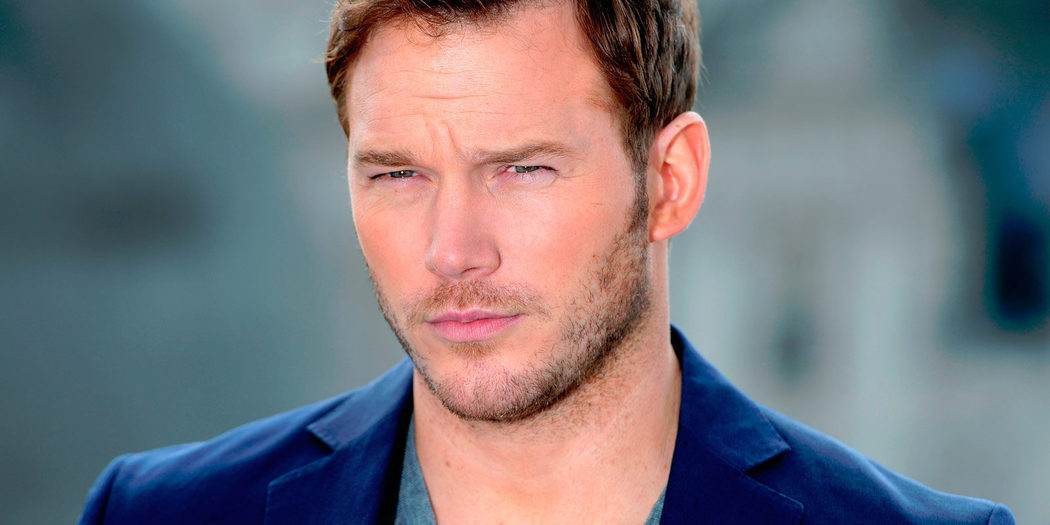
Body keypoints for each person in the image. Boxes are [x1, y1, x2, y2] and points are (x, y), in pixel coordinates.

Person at [79, 1, 1015, 523]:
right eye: (398, 173)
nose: (452, 250)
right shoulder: (158, 515)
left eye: (522, 169)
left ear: (671, 181)